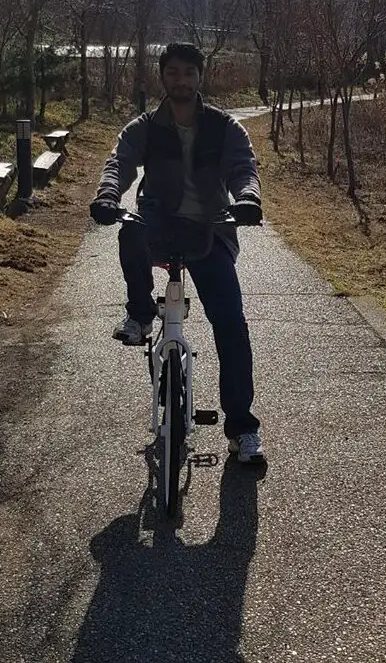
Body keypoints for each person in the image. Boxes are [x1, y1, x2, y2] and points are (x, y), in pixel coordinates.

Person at [89, 42, 265, 463]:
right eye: (172, 73)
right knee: (129, 230)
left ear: (200, 77)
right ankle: (139, 313)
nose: (180, 80)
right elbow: (119, 163)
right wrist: (108, 195)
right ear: (162, 77)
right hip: (160, 223)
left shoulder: (224, 127)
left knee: (232, 326)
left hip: (210, 229)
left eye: (188, 73)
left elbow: (244, 168)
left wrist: (247, 198)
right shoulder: (145, 126)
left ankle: (243, 429)